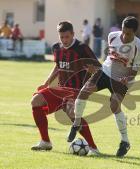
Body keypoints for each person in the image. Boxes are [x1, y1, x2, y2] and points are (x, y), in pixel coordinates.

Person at [68, 16, 140, 157]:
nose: (124, 35)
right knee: (83, 92)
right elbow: (108, 57)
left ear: (134, 32)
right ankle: (77, 123)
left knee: (114, 106)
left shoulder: (139, 47)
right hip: (104, 72)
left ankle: (125, 141)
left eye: (128, 33)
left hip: (121, 79)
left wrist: (126, 78)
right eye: (123, 31)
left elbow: (135, 69)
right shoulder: (112, 36)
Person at [31, 21, 101, 154]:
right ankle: (45, 142)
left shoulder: (82, 48)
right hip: (60, 88)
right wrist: (46, 83)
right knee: (35, 101)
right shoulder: (56, 48)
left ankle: (93, 148)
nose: (64, 40)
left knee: (72, 114)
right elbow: (58, 66)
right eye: (61, 37)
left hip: (76, 90)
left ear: (73, 34)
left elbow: (98, 67)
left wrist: (91, 72)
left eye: (67, 37)